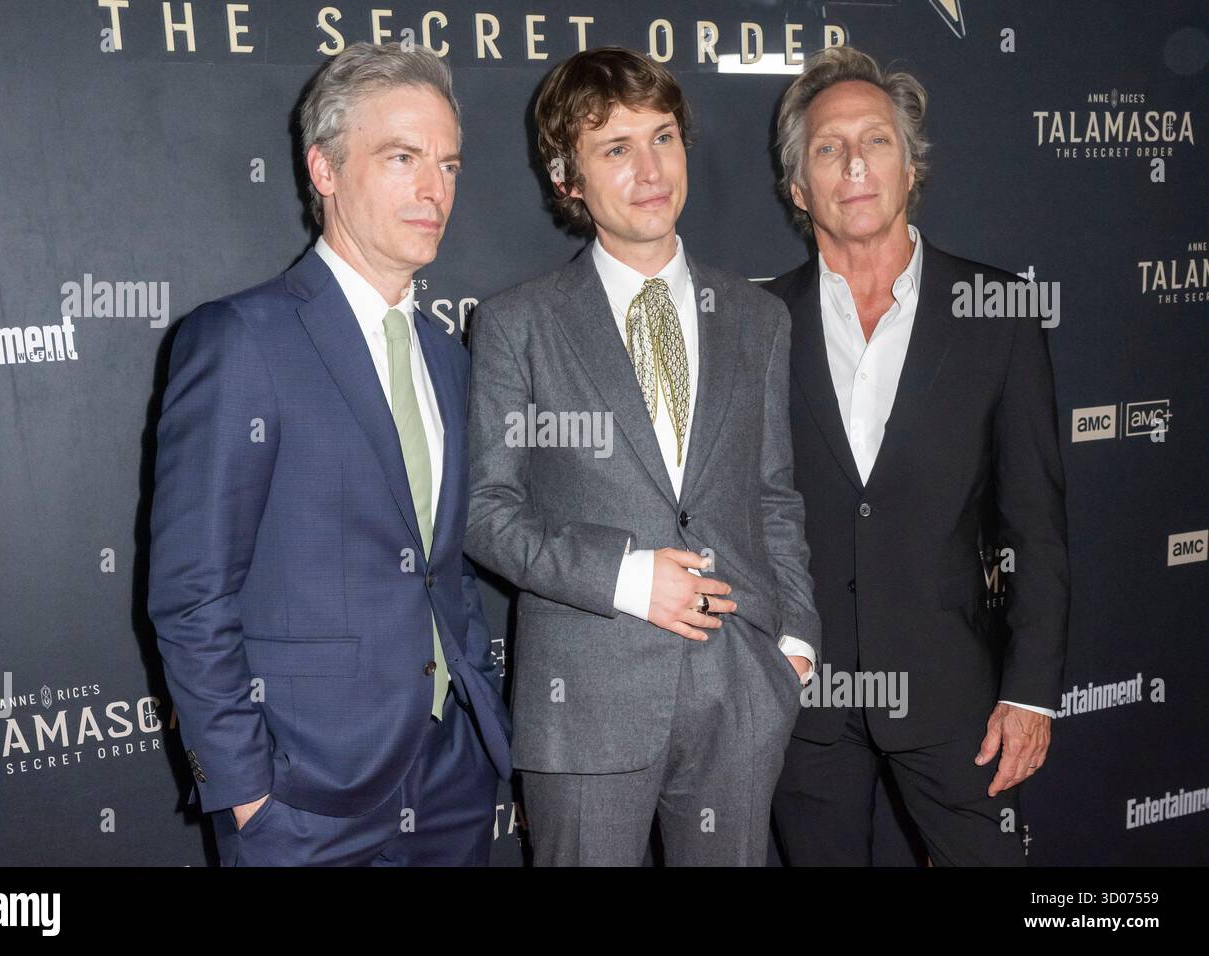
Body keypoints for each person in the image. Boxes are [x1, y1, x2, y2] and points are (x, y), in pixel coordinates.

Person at [148, 42, 509, 866]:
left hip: (451, 777)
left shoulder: (446, 355)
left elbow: (439, 565)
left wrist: (477, 717)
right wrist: (242, 790)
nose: (435, 190)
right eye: (402, 158)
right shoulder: (241, 339)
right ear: (325, 169)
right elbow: (190, 592)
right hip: (300, 799)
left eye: (448, 164)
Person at [466, 47, 819, 866]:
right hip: (586, 697)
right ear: (568, 177)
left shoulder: (756, 318)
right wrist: (627, 578)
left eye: (663, 137)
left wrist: (794, 643)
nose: (650, 168)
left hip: (741, 693)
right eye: (615, 149)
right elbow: (487, 514)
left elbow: (774, 495)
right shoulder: (519, 324)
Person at [765, 45, 1068, 866]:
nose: (855, 163)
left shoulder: (997, 314)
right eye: (828, 148)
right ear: (799, 186)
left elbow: (1034, 522)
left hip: (956, 701)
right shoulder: (751, 323)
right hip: (804, 708)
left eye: (878, 141)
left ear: (910, 170)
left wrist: (1031, 691)